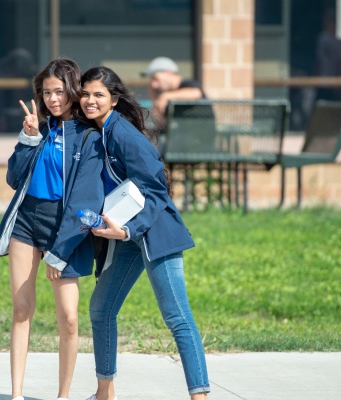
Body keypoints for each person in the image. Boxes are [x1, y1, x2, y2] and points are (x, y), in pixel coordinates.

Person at [79, 66, 210, 400]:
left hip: (154, 231)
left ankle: (201, 397)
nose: (90, 100)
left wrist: (126, 230)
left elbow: (156, 190)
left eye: (98, 95)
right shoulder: (101, 131)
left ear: (114, 98)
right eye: (86, 94)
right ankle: (104, 394)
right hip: (127, 233)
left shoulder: (124, 135)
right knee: (101, 309)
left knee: (177, 316)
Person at [0, 58, 105, 400]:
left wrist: (61, 249)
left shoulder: (87, 137)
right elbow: (14, 179)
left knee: (68, 317)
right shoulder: (39, 127)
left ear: (73, 92)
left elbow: (85, 199)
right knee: (21, 308)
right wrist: (28, 137)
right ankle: (17, 394)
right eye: (47, 92)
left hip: (65, 227)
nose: (53, 99)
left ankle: (63, 396)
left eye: (59, 92)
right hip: (27, 219)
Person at [141, 56, 206, 131]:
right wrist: (155, 102)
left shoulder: (188, 84)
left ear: (169, 73)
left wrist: (165, 96)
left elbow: (196, 93)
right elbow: (162, 124)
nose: (153, 85)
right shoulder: (167, 96)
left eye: (156, 79)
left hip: (199, 139)